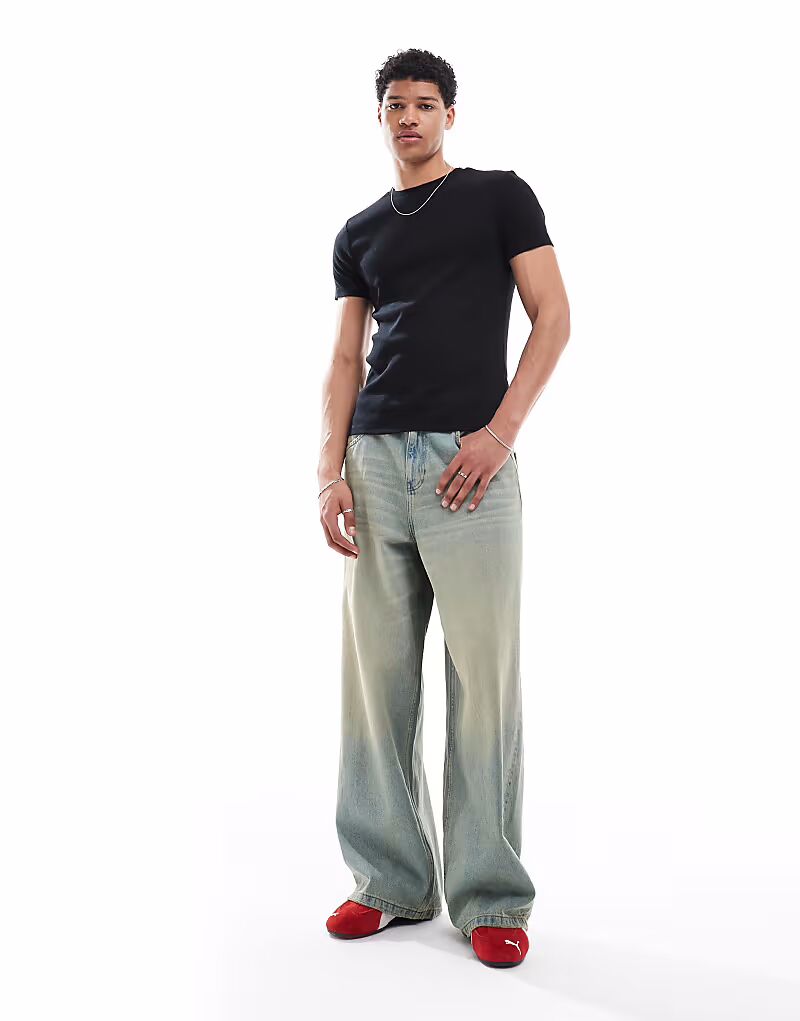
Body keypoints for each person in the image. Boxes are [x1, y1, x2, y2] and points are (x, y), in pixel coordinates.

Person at [317, 47, 570, 968]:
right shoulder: (358, 232)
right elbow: (345, 359)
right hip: (376, 460)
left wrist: (499, 433)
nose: (410, 117)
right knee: (376, 682)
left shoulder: (500, 197)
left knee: (484, 680)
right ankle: (389, 880)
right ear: (381, 117)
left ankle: (492, 894)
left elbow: (553, 315)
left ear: (449, 115)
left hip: (472, 461)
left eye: (425, 103)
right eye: (396, 104)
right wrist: (330, 469)